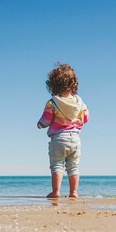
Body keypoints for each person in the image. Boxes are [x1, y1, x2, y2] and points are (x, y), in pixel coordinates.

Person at [37, 63, 90, 198]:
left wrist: (40, 124)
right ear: (74, 84)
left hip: (59, 138)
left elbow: (46, 120)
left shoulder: (52, 102)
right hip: (75, 138)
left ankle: (56, 192)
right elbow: (86, 117)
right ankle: (73, 192)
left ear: (53, 85)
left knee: (57, 166)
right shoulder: (80, 102)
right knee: (73, 167)